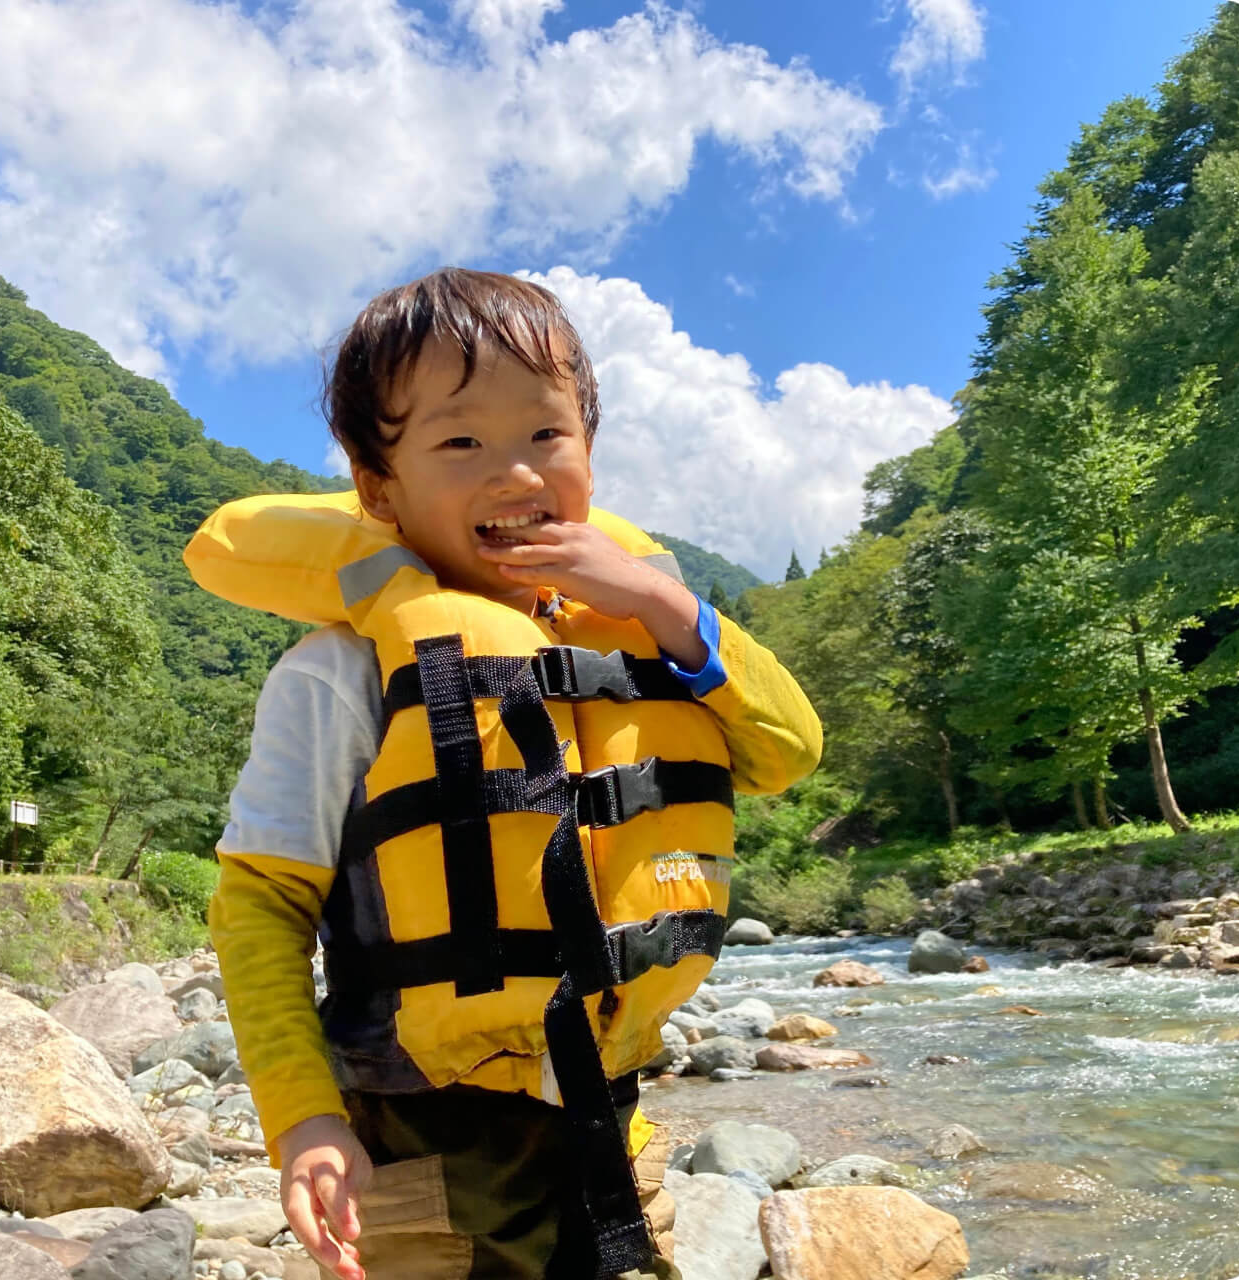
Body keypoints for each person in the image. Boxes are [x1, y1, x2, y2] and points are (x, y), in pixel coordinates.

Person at [188, 268, 822, 1280]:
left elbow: (788, 747)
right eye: (460, 442)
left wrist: (667, 606)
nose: (517, 473)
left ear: (589, 450)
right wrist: (304, 1117)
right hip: (424, 1136)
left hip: (612, 1116)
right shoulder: (337, 675)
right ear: (377, 487)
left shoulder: (638, 636)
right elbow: (261, 905)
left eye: (545, 433)